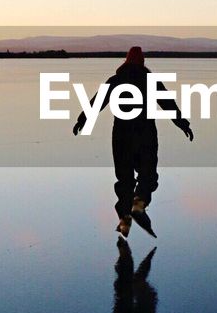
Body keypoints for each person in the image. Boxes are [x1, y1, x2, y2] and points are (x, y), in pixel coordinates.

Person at [72, 45, 193, 236]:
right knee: (147, 175)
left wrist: (82, 120)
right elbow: (167, 103)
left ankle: (125, 220)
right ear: (142, 62)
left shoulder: (116, 80)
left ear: (126, 61)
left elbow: (96, 103)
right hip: (145, 134)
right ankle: (137, 206)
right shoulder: (150, 81)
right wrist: (182, 123)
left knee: (125, 180)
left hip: (121, 135)